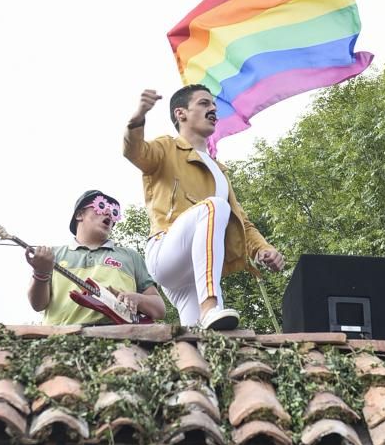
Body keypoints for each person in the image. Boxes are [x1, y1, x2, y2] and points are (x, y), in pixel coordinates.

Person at [123, 85, 284, 330]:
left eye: (214, 106)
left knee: (200, 339)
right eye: (204, 103)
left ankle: (195, 354)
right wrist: (137, 118)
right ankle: (210, 304)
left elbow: (242, 222)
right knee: (213, 207)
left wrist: (263, 249)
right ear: (181, 114)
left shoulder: (219, 171)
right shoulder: (167, 147)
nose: (212, 109)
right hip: (166, 251)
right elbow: (134, 152)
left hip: (191, 277)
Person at [26, 189, 165, 325]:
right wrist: (40, 273)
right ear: (80, 214)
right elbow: (38, 305)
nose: (109, 213)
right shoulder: (51, 256)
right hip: (58, 338)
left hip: (119, 338)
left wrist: (138, 299)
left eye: (114, 211)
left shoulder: (131, 257)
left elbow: (159, 309)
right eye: (101, 206)